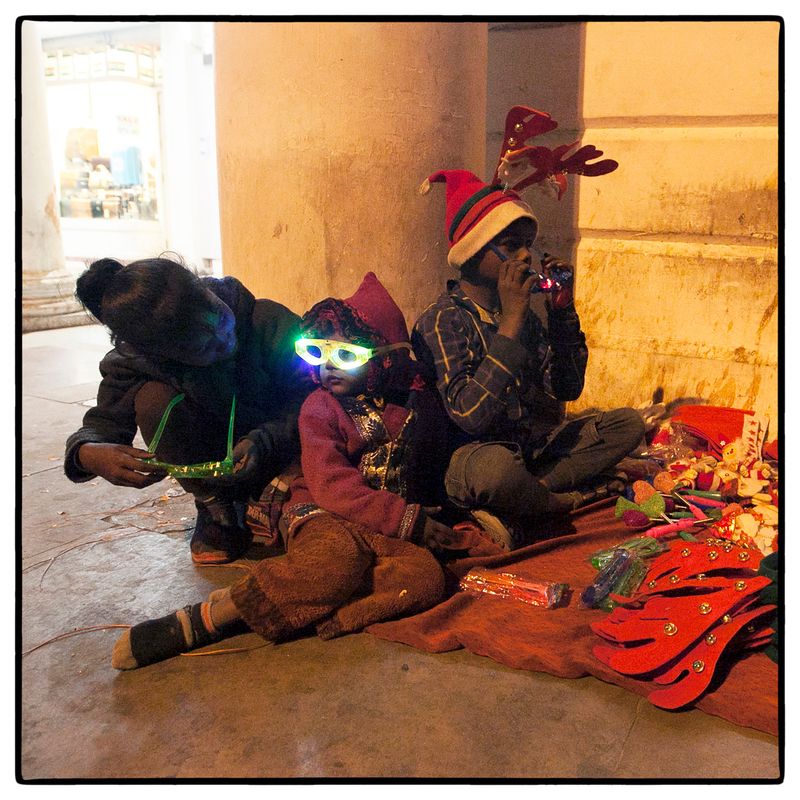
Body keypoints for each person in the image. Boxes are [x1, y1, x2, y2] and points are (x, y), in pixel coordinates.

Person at [111, 272, 450, 670]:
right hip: (325, 508)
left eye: (345, 355)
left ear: (386, 355)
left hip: (378, 516)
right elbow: (331, 485)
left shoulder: (407, 402)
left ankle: (311, 608)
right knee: (337, 559)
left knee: (426, 577)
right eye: (315, 352)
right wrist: (405, 519)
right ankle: (210, 620)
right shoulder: (320, 408)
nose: (326, 367)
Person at [412, 170, 645, 550]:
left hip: (529, 452)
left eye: (528, 245)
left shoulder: (525, 316)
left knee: (627, 424)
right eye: (511, 244)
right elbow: (471, 417)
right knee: (497, 473)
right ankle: (559, 501)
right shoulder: (443, 319)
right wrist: (512, 322)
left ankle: (525, 498)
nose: (525, 255)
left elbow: (566, 388)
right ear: (473, 251)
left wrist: (561, 314)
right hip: (471, 461)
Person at [64, 255, 314, 564]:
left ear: (205, 288)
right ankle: (214, 504)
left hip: (281, 446)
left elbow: (311, 397)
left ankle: (265, 495)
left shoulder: (266, 321)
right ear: (159, 355)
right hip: (214, 458)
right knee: (154, 400)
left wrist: (266, 440)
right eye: (201, 347)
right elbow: (103, 423)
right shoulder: (137, 361)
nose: (223, 339)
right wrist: (86, 452)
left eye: (219, 316)